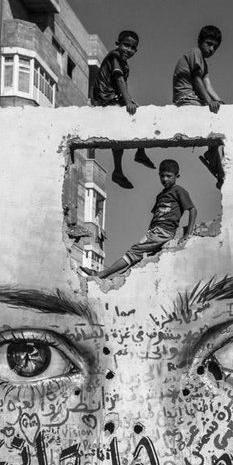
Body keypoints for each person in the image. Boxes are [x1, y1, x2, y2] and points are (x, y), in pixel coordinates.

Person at [84, 158, 196, 279]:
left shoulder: (179, 191)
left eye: (169, 176)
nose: (165, 179)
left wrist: (188, 233)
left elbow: (193, 210)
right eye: (162, 176)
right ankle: (120, 275)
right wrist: (149, 232)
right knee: (138, 255)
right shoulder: (161, 195)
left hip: (163, 232)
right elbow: (155, 216)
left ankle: (101, 274)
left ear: (177, 176)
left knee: (133, 252)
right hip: (155, 231)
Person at [93, 30, 153, 189]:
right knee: (133, 117)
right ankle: (138, 154)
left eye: (133, 48)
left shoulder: (124, 63)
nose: (129, 50)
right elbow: (119, 80)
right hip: (105, 97)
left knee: (121, 131)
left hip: (112, 97)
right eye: (126, 45)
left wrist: (130, 100)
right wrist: (128, 102)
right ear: (118, 44)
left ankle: (128, 162)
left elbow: (122, 86)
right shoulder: (115, 56)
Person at [173, 25, 225, 188]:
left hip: (196, 98)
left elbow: (208, 86)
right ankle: (213, 156)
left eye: (215, 47)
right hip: (187, 98)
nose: (211, 49)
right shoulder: (195, 54)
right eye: (209, 44)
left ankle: (214, 157)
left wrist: (221, 103)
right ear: (200, 41)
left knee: (219, 124)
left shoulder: (205, 63)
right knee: (214, 124)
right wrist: (210, 102)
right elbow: (196, 79)